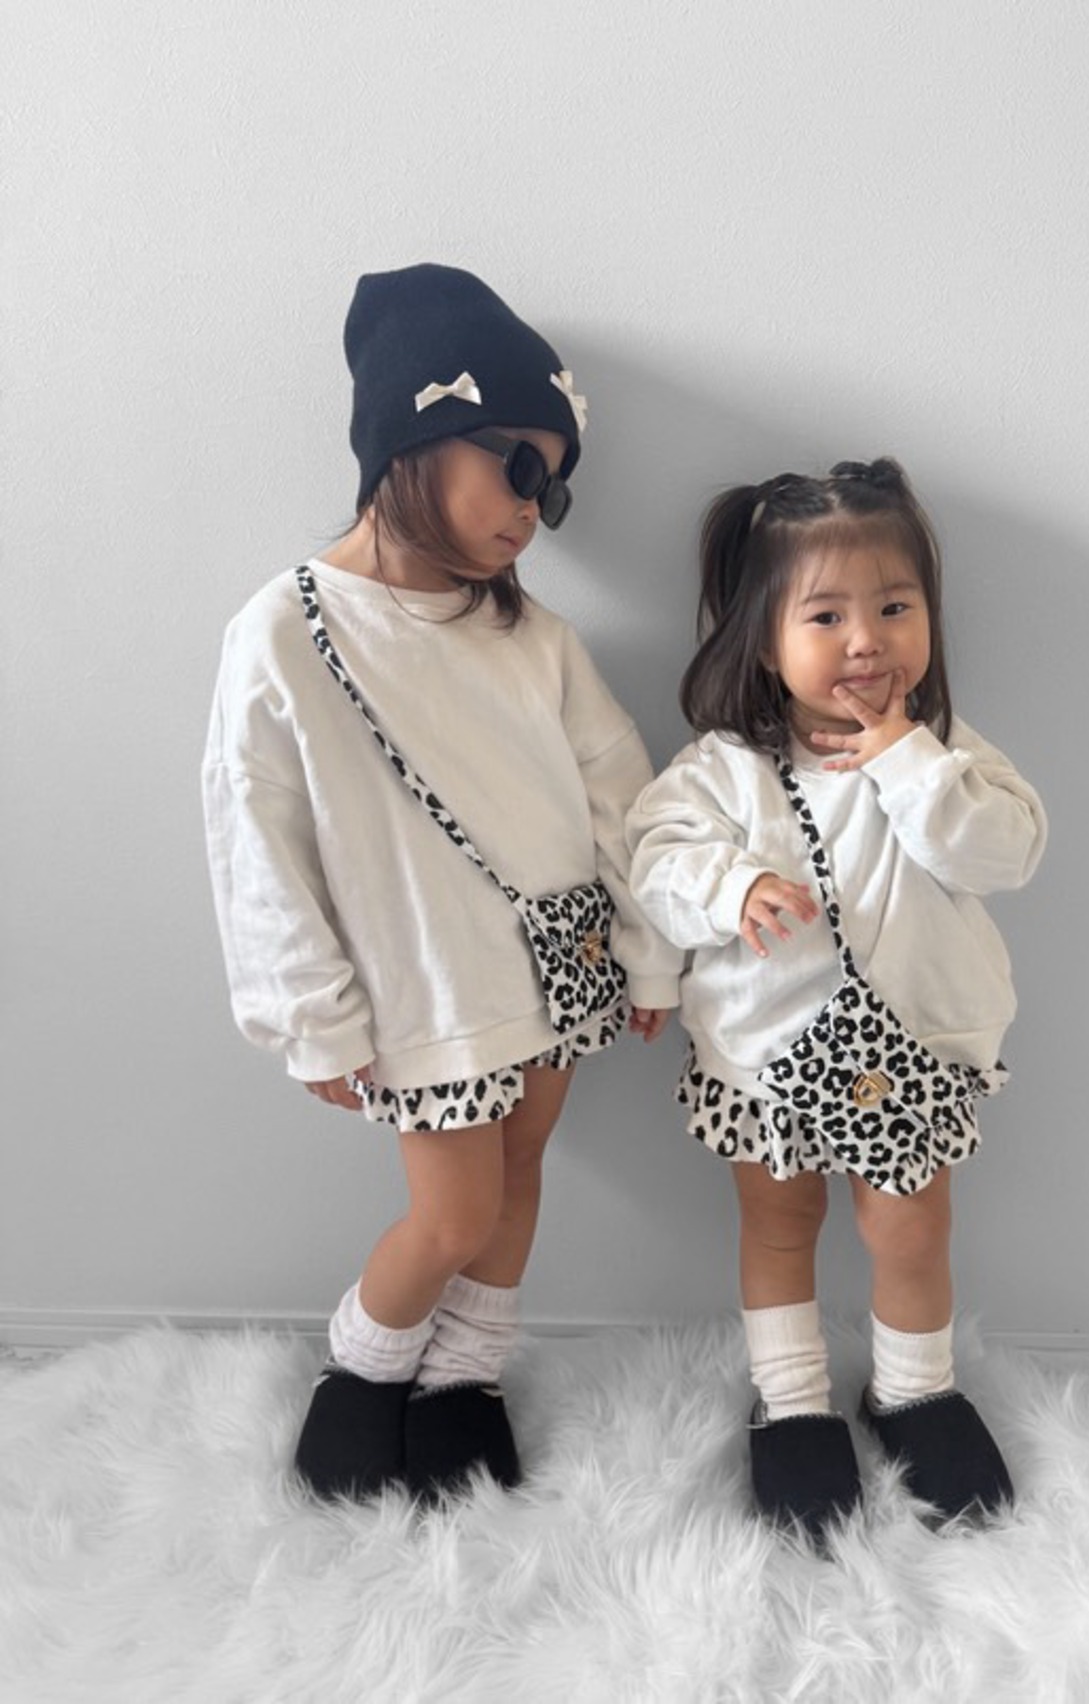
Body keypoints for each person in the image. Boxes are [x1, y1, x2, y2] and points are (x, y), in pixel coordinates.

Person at [203, 263, 680, 1505]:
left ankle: (464, 1377)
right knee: (453, 1215)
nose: (534, 507)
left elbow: (619, 791)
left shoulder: (532, 636)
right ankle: (364, 1370)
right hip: (422, 981)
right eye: (517, 465)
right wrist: (306, 1011)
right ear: (411, 439)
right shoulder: (286, 632)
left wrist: (647, 949)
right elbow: (255, 833)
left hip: (559, 953)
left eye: (553, 486)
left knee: (520, 1176)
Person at [626, 459, 1046, 1542]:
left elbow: (1004, 853)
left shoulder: (948, 755)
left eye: (894, 608)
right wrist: (730, 886)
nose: (866, 641)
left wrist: (907, 762)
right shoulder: (724, 769)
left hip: (912, 1052)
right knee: (779, 1223)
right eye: (826, 616)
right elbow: (655, 864)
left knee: (910, 1225)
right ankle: (792, 1398)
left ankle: (914, 1388)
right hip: (766, 1054)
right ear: (765, 640)